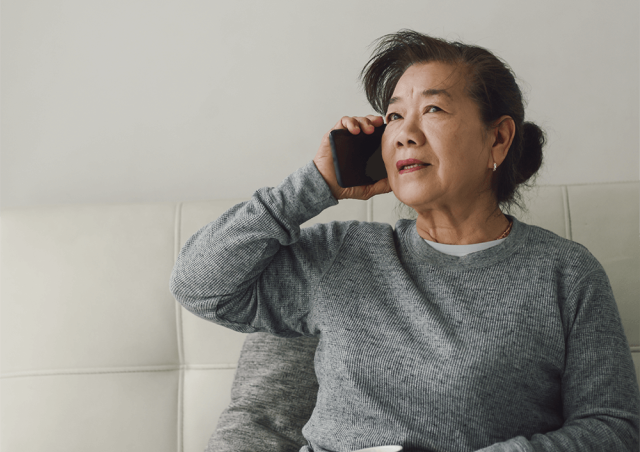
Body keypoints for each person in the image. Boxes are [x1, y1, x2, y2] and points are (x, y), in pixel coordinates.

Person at [170, 30, 640, 451]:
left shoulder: (564, 272)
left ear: (497, 139)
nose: (404, 134)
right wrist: (316, 184)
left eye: (432, 109)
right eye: (394, 116)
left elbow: (613, 427)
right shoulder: (341, 253)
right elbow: (199, 284)